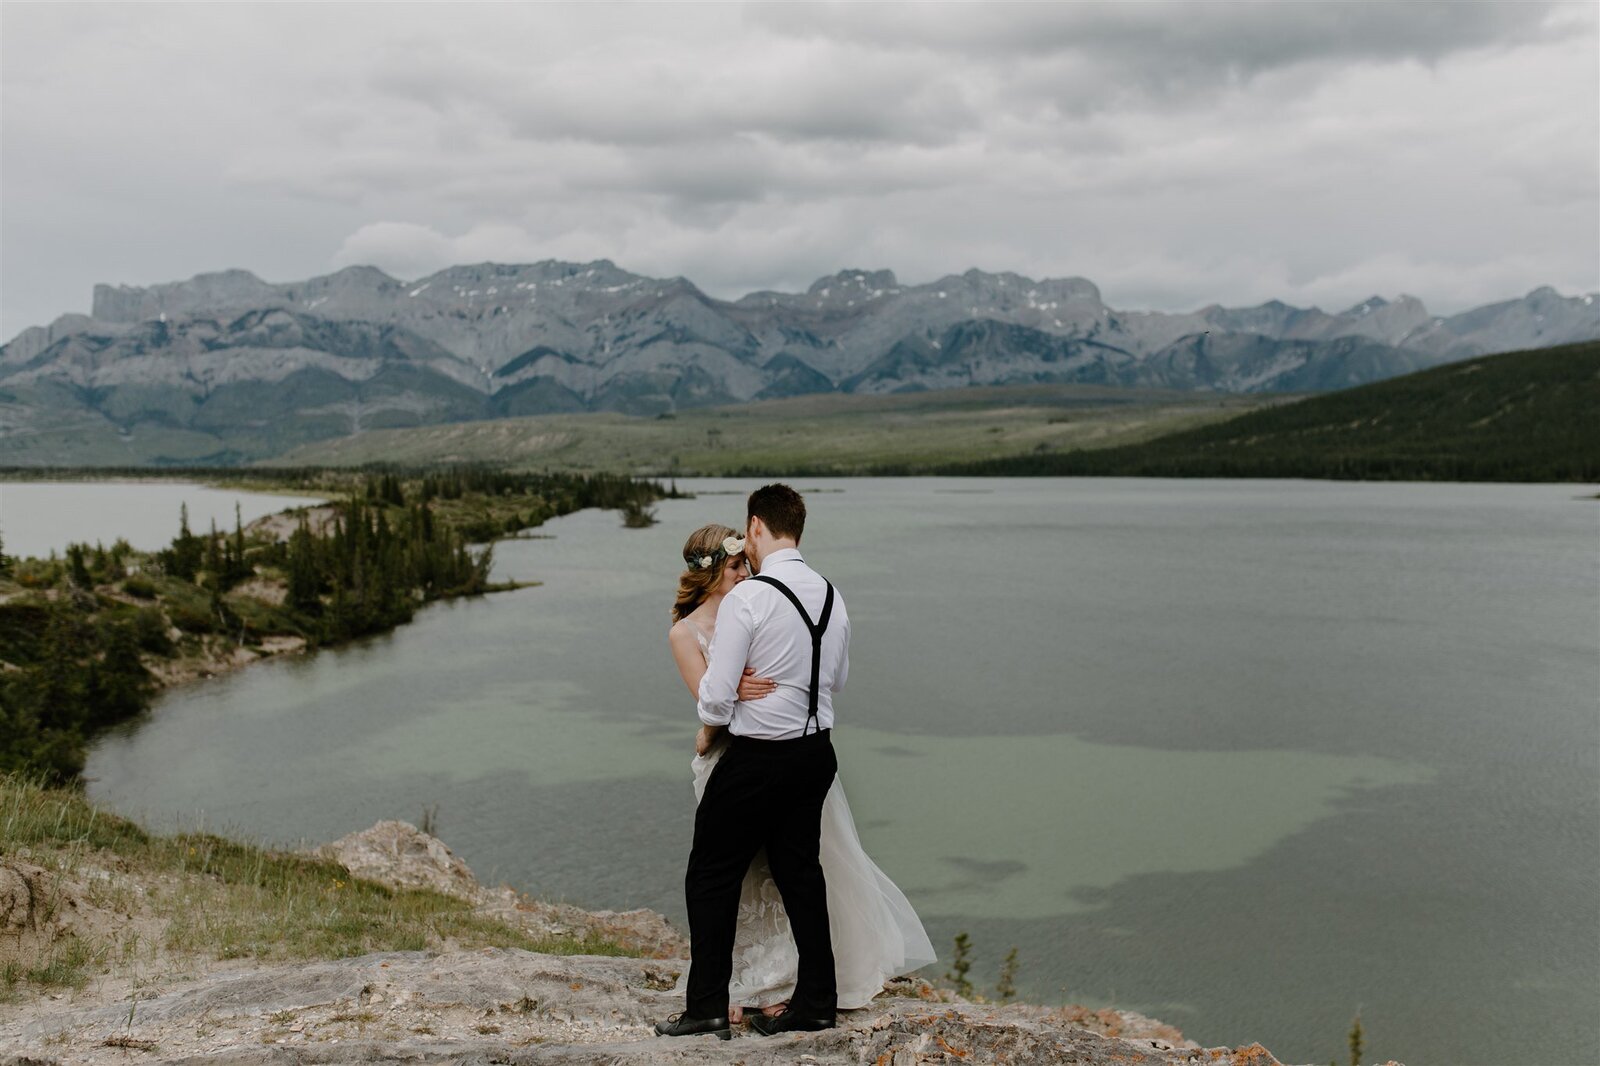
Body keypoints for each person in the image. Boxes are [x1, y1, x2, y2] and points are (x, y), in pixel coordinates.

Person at [654, 485, 935, 1041]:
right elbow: (837, 680)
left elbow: (712, 702)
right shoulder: (831, 593)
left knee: (711, 876)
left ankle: (707, 1006)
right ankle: (816, 1004)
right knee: (801, 877)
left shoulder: (749, 599)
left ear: (756, 526)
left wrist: (733, 691)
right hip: (815, 755)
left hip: (758, 758)